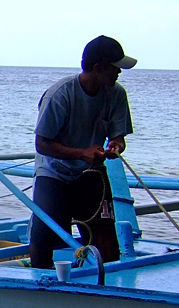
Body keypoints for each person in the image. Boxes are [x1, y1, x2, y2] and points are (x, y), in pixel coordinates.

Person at [29, 35, 136, 269]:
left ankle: (108, 284)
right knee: (44, 236)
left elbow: (118, 136)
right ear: (98, 68)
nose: (119, 73)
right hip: (54, 172)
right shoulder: (60, 95)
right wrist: (81, 153)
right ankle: (40, 288)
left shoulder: (117, 94)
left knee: (104, 234)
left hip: (92, 172)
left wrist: (116, 146)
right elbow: (42, 144)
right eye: (115, 68)